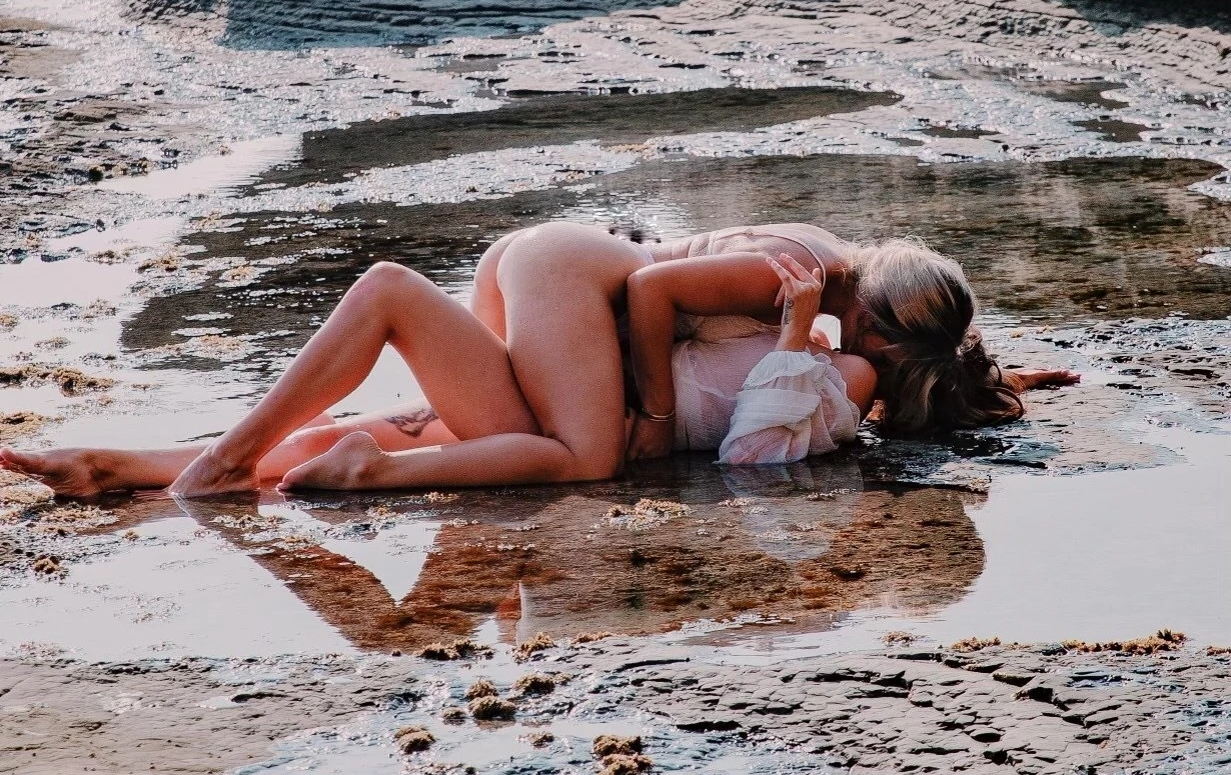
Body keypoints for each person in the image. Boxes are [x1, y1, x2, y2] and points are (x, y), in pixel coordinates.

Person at [0, 220, 1074, 501]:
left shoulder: (858, 294)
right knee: (585, 457)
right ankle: (242, 460)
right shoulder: (797, 271)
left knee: (469, 430)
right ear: (872, 306)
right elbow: (649, 293)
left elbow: (914, 361)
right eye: (882, 342)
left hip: (553, 285)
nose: (873, 359)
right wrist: (653, 414)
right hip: (577, 276)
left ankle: (122, 465)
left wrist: (997, 379)